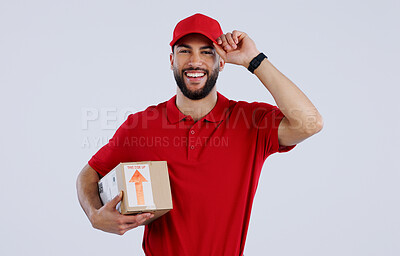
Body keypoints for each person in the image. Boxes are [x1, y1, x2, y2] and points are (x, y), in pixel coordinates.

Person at [76, 13, 323, 256]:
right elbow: (90, 172)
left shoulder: (251, 122)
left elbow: (310, 124)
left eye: (207, 52)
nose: (195, 61)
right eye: (185, 51)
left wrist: (254, 60)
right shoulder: (141, 125)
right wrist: (94, 215)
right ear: (171, 60)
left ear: (222, 62)